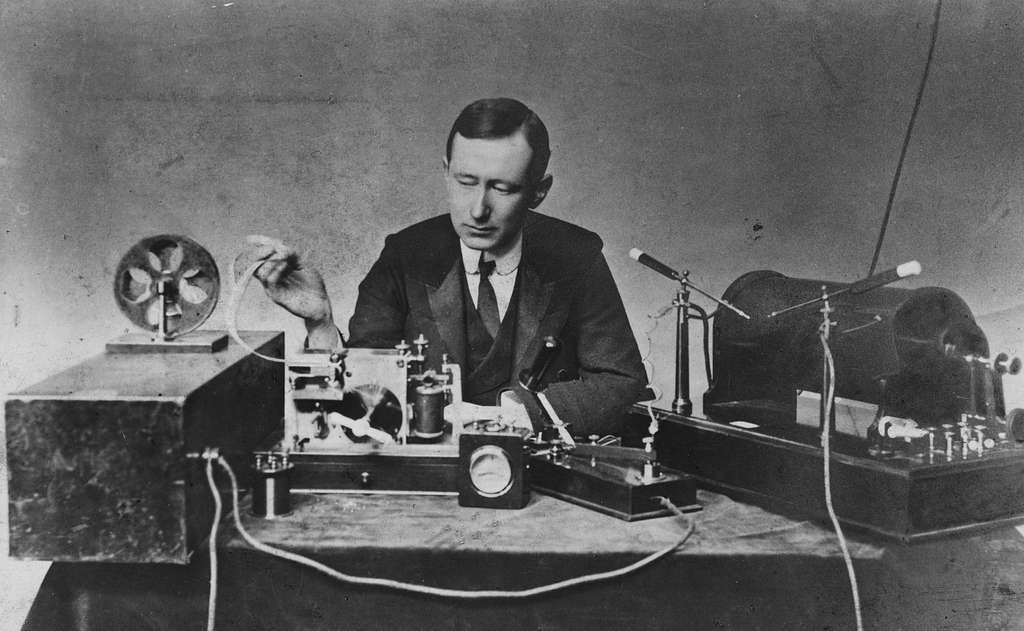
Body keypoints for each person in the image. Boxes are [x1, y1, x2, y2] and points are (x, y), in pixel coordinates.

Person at [252, 97, 645, 435]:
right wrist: (320, 323)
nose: (478, 209)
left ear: (538, 192)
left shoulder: (576, 256)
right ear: (445, 171)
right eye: (465, 181)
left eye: (502, 188)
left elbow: (620, 382)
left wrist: (520, 416)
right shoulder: (404, 254)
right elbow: (364, 394)